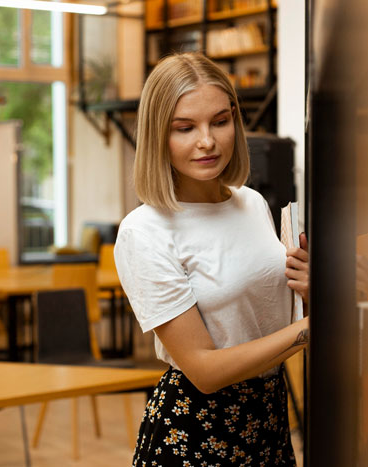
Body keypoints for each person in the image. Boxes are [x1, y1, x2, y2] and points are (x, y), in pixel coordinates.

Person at [113, 52, 310, 467]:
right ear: (157, 137)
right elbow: (204, 369)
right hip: (196, 431)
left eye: (220, 121)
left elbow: (269, 319)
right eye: (185, 128)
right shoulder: (143, 232)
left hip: (270, 416)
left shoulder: (252, 203)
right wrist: (314, 329)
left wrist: (310, 293)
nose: (207, 141)